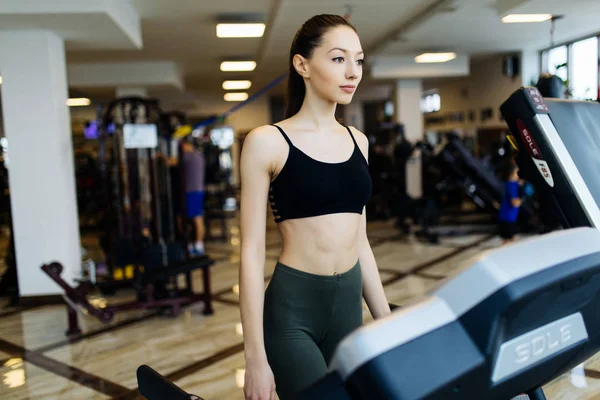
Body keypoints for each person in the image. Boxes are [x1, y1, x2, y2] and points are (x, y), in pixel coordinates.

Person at [239, 14, 391, 400]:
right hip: (293, 313)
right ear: (302, 64)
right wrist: (255, 359)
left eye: (358, 60)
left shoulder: (360, 141)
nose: (352, 71)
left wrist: (389, 325)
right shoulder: (267, 141)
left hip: (347, 306)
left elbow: (361, 242)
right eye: (339, 59)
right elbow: (252, 251)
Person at [181, 137, 206, 256]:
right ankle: (197, 244)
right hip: (198, 190)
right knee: (197, 217)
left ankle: (194, 245)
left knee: (193, 218)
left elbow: (172, 162)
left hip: (191, 191)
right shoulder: (198, 155)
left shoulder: (188, 156)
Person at [498, 162, 522, 245]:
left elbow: (520, 183)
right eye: (517, 172)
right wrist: (522, 199)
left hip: (507, 217)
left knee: (511, 239)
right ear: (512, 173)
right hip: (508, 218)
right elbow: (515, 203)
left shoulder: (510, 183)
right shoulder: (511, 186)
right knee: (509, 241)